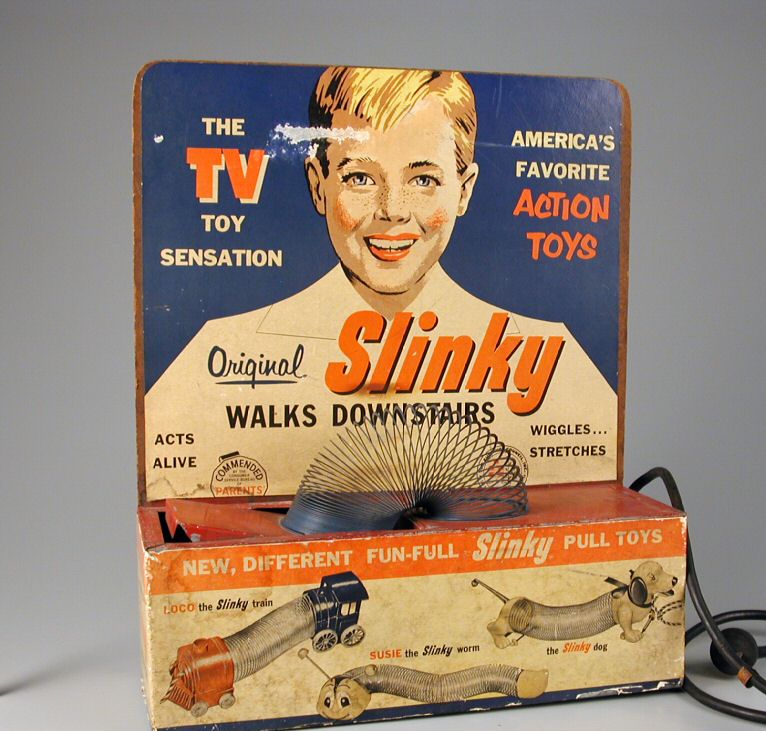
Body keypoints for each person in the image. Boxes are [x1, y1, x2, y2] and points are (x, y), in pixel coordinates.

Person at [144, 67, 618, 501]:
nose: (393, 210)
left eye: (423, 180)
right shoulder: (220, 351)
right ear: (318, 185)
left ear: (465, 189)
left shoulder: (558, 361)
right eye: (360, 178)